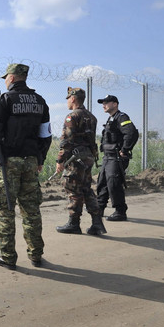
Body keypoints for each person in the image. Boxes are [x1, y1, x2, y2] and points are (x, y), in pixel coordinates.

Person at [0, 63, 52, 270]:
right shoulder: (40, 102)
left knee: (5, 209)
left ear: (12, 78)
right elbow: (46, 135)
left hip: (9, 162)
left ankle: (7, 257)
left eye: (6, 77)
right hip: (31, 161)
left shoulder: (4, 100)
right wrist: (40, 159)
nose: (5, 81)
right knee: (31, 210)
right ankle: (36, 254)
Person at [55, 87, 106, 236]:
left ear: (73, 98)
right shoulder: (91, 117)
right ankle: (97, 223)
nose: (67, 102)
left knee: (73, 189)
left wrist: (60, 160)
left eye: (68, 99)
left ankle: (73, 223)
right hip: (88, 157)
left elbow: (67, 141)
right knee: (86, 189)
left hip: (76, 159)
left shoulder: (72, 116)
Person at [96, 95, 138, 221]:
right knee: (102, 181)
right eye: (102, 103)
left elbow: (131, 133)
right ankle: (100, 207)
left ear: (115, 104)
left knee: (113, 183)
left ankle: (120, 211)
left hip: (116, 157)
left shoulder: (122, 117)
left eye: (106, 103)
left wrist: (125, 150)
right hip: (108, 156)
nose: (104, 105)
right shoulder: (111, 119)